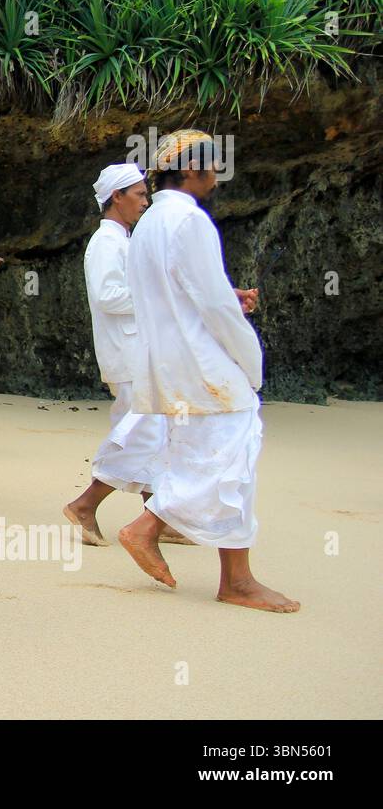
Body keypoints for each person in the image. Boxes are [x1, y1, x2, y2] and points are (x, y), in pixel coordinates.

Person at [118, 130, 299, 613]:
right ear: (194, 170)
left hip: (167, 365)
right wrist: (250, 359)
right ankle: (152, 530)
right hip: (201, 366)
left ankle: (234, 575)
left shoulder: (150, 221)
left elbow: (179, 292)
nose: (216, 177)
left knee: (206, 459)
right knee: (230, 457)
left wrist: (226, 297)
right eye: (213, 168)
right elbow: (214, 305)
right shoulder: (189, 221)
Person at [62, 163, 187, 547]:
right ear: (116, 197)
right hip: (129, 354)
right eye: (140, 195)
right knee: (143, 432)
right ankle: (86, 503)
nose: (145, 202)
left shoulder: (123, 240)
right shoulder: (107, 242)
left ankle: (159, 517)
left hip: (138, 353)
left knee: (154, 433)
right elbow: (107, 296)